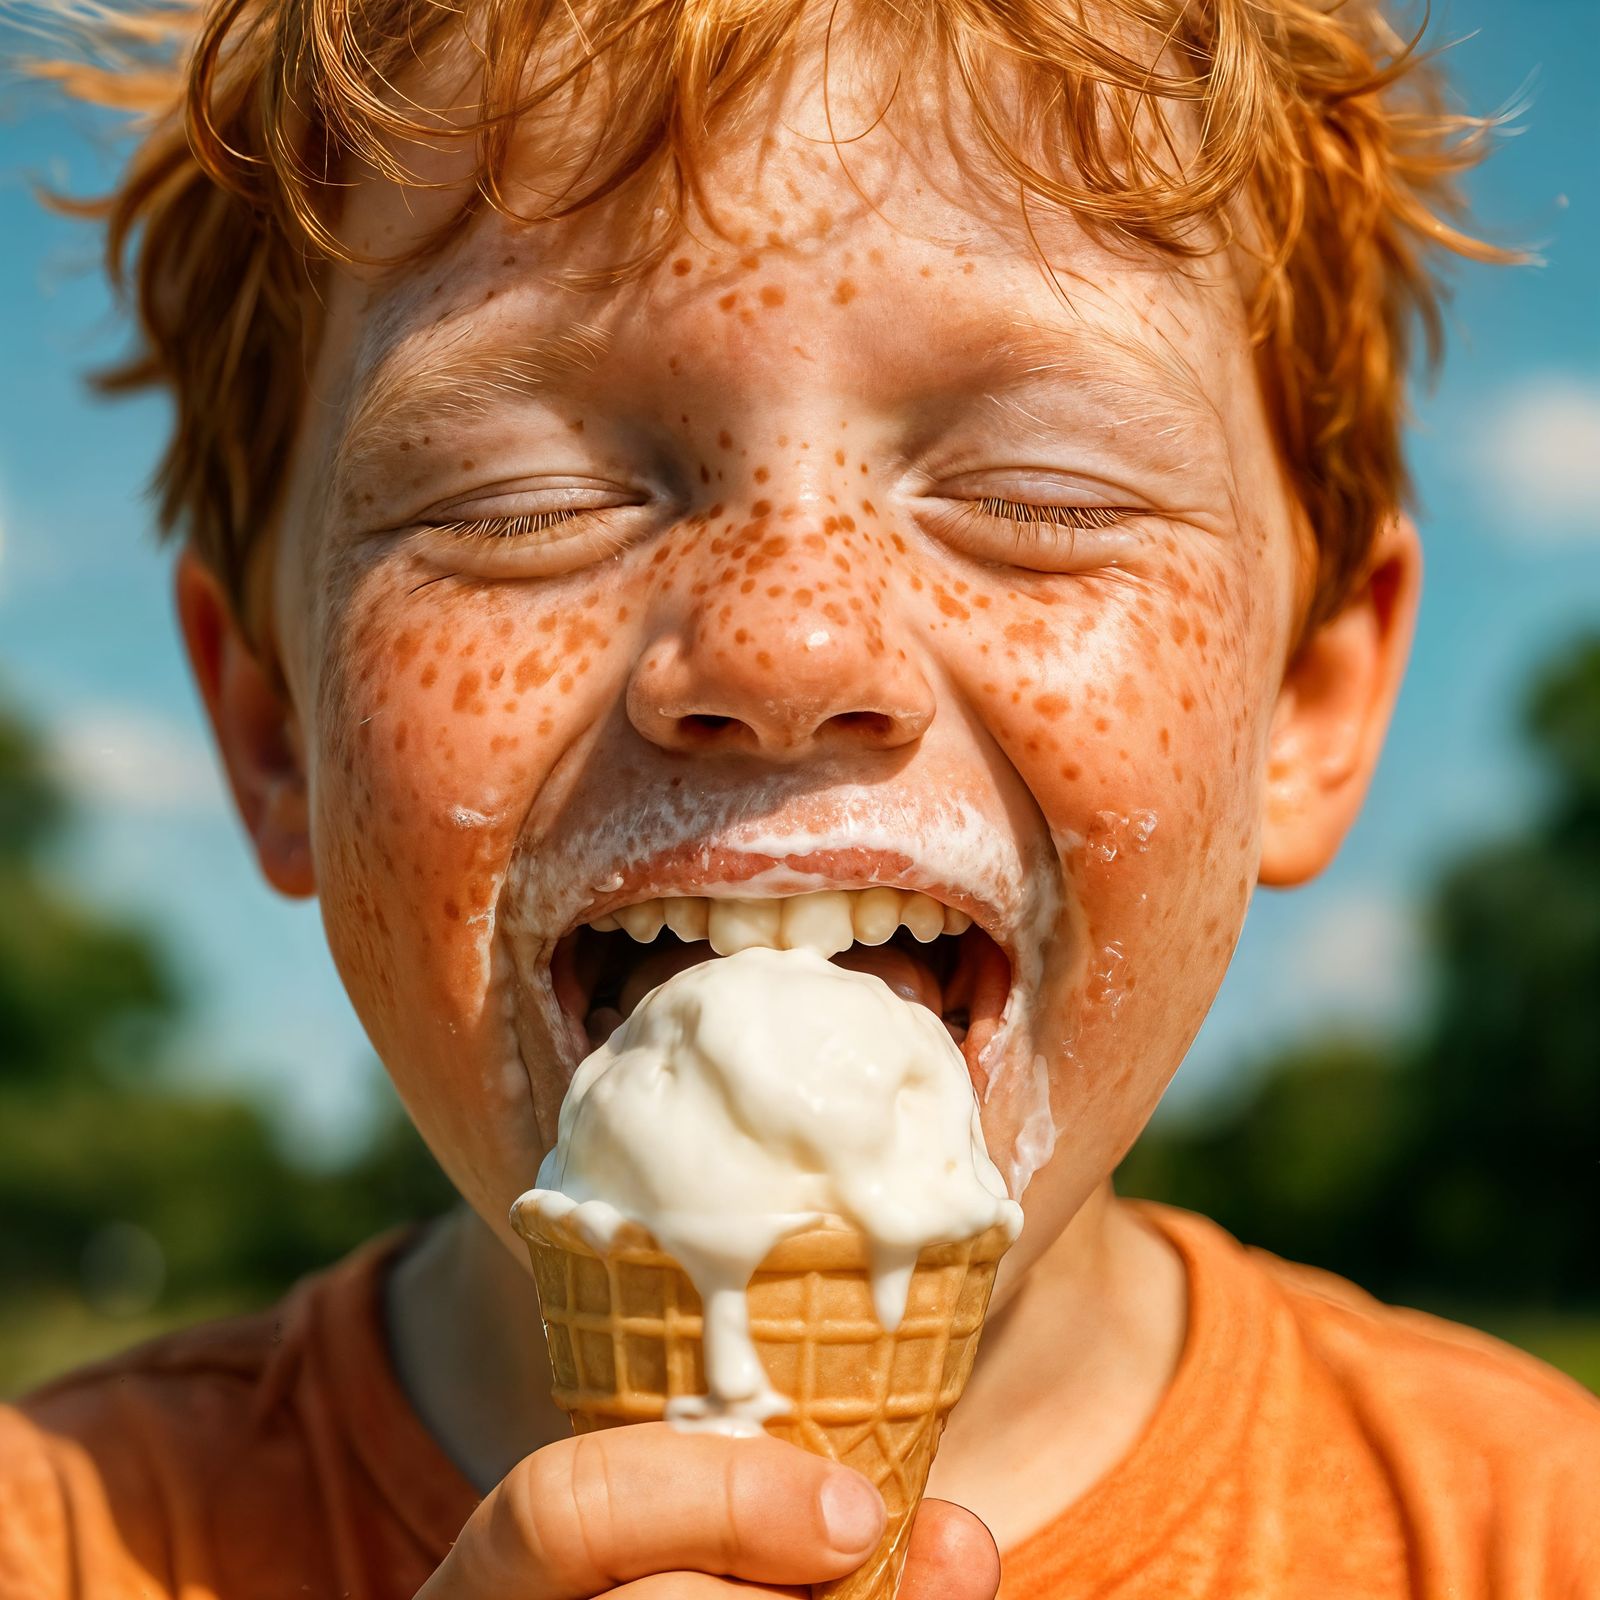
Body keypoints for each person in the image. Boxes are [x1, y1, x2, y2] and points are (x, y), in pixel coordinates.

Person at [3, 0, 1596, 1596]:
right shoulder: (66, 1540)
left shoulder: (1533, 1539)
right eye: (524, 498)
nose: (784, 639)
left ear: (1303, 705)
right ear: (275, 728)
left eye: (1037, 492)